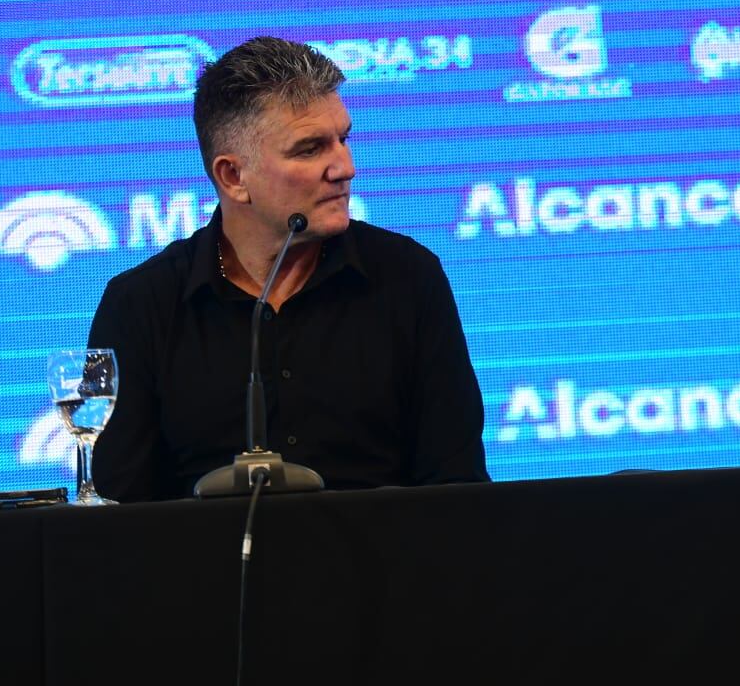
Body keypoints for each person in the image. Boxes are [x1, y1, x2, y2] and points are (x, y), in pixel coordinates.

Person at [93, 36, 489, 500]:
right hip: (205, 569)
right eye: (310, 149)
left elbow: (457, 485)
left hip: (385, 567)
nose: (345, 167)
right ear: (233, 177)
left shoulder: (408, 276)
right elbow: (118, 510)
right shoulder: (140, 303)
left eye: (343, 139)